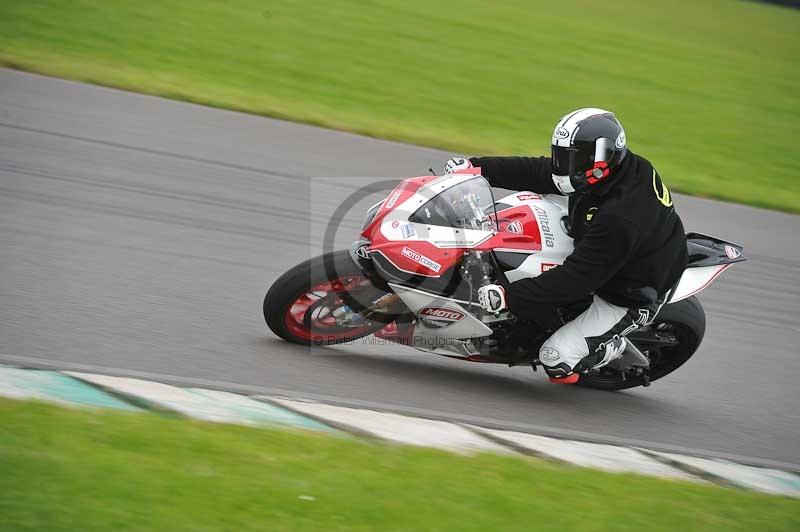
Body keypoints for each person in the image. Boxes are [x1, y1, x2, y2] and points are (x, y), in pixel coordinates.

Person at [444, 108, 687, 384]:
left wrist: (508, 297)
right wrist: (477, 168)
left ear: (603, 157)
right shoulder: (613, 170)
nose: (563, 166)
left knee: (555, 357)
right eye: (563, 156)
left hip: (630, 290)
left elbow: (577, 279)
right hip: (601, 243)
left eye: (574, 159)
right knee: (522, 212)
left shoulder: (621, 217)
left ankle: (611, 348)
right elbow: (540, 172)